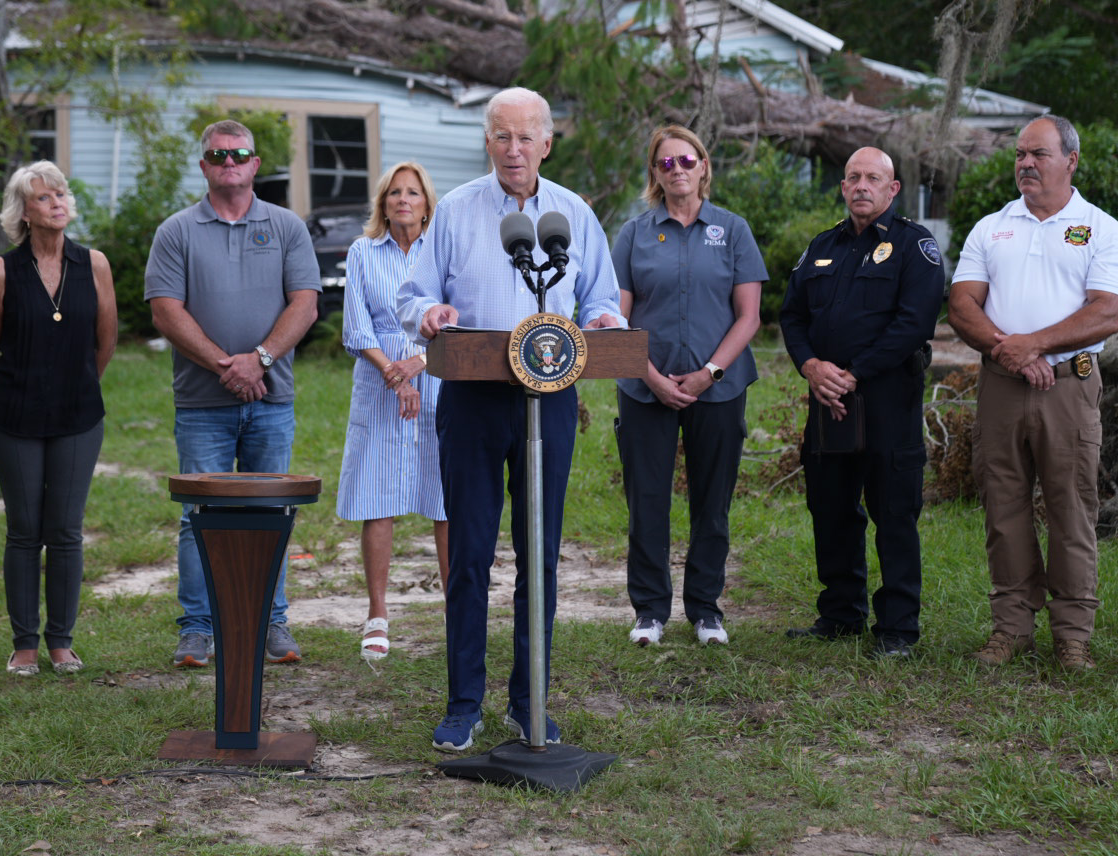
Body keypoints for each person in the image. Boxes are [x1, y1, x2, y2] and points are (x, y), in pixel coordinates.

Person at [398, 86, 624, 753]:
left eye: (527, 137)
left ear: (548, 143)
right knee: (468, 554)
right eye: (502, 136)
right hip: (471, 395)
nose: (514, 149)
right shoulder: (458, 211)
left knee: (540, 555)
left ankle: (531, 702)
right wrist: (429, 316)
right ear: (487, 142)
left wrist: (606, 320)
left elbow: (601, 297)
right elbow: (415, 294)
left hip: (549, 397)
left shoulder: (573, 214)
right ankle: (464, 703)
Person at [948, 115, 1118, 671]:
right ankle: (1011, 629)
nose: (1026, 163)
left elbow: (1108, 311)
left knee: (1070, 507)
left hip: (1070, 389)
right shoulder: (992, 227)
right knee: (1003, 507)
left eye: (1039, 154)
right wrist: (1013, 351)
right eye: (1020, 154)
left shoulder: (1100, 228)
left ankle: (1073, 635)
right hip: (1002, 387)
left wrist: (1034, 344)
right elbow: (961, 305)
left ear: (1071, 160)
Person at [145, 119, 320, 669]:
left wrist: (260, 360)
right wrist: (227, 365)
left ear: (255, 164)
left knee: (272, 511)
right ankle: (197, 630)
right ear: (203, 166)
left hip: (272, 400)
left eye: (239, 154)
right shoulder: (176, 231)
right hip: (203, 404)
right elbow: (166, 311)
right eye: (218, 156)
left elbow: (306, 304)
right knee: (201, 517)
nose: (229, 163)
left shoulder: (287, 227)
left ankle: (272, 621)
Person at [778, 147, 944, 658]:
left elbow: (913, 324)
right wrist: (811, 367)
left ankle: (897, 629)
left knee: (893, 512)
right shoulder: (822, 246)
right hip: (828, 403)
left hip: (887, 402)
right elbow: (792, 317)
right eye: (853, 178)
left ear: (893, 189)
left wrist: (853, 374)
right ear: (843, 186)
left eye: (873, 178)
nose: (861, 186)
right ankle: (841, 613)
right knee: (830, 508)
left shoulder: (914, 246)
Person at [611, 125, 767, 649]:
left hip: (718, 389)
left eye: (686, 160)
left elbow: (749, 317)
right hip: (644, 388)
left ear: (703, 164)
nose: (676, 170)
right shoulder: (634, 234)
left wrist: (709, 373)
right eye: (665, 163)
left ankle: (706, 610)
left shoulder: (734, 229)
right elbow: (615, 317)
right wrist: (650, 377)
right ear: (655, 174)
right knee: (647, 500)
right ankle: (650, 611)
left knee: (712, 501)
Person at [0, 162, 117, 677]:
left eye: (60, 194)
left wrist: (73, 386)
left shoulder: (93, 264)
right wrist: (27, 389)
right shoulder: (0, 272)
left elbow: (106, 341)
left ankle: (61, 642)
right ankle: (24, 646)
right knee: (24, 529)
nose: (56, 202)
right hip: (13, 417)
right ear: (23, 213)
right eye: (42, 197)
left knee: (65, 530)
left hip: (78, 416)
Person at [336, 162, 449, 661]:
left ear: (428, 202)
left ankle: (456, 610)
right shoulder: (363, 252)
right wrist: (396, 375)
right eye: (394, 193)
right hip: (380, 383)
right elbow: (357, 329)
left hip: (440, 382)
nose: (404, 200)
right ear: (383, 203)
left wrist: (418, 365)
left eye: (413, 192)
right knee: (377, 497)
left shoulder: (444, 252)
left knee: (446, 499)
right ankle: (377, 614)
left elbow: (456, 322)